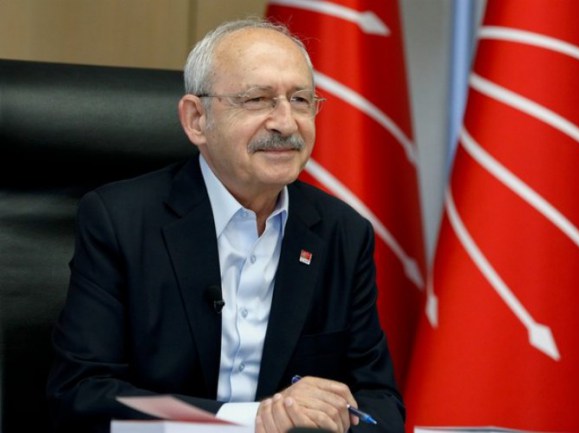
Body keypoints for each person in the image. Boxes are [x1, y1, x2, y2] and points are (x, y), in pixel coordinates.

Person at [46, 18, 405, 433]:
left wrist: (331, 416)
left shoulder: (342, 234)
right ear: (197, 119)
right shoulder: (120, 221)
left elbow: (380, 405)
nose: (286, 123)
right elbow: (83, 394)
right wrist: (249, 420)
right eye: (258, 99)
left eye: (301, 100)